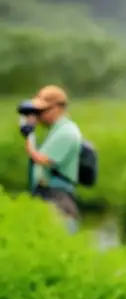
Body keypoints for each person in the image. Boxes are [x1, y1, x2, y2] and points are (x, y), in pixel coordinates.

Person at [25, 85, 84, 229]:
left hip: (57, 196)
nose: (39, 115)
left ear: (57, 108)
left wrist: (28, 135)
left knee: (60, 238)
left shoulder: (67, 132)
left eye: (43, 111)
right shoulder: (55, 131)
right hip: (47, 193)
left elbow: (42, 160)